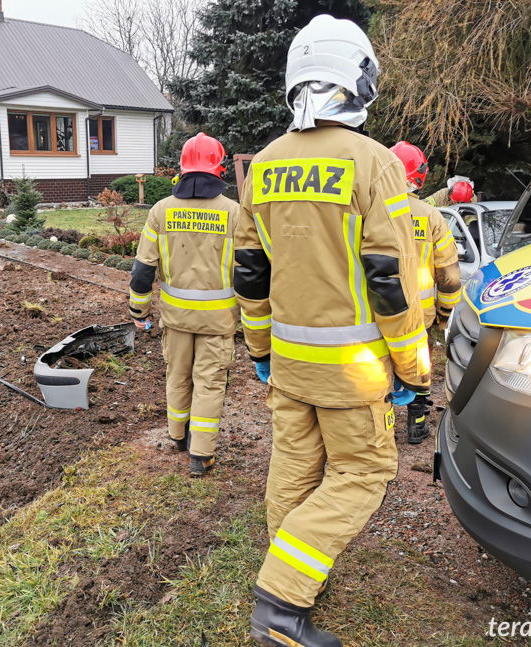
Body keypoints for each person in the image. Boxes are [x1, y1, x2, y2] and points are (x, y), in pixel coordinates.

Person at [234, 15, 430, 647]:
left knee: (293, 466)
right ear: (359, 79)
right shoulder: (375, 163)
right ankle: (281, 606)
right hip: (355, 369)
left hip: (288, 366)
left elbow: (249, 275)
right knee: (363, 472)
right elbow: (390, 281)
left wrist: (260, 351)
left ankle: (290, 572)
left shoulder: (262, 166)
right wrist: (413, 371)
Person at [128, 133, 240, 477]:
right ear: (219, 168)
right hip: (219, 321)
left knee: (177, 376)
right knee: (208, 383)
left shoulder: (161, 211)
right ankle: (201, 455)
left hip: (175, 317)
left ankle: (178, 437)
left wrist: (139, 313)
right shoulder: (234, 213)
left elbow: (142, 270)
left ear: (182, 168)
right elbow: (250, 273)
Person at [390, 141, 461, 444]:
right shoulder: (432, 217)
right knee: (419, 365)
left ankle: (378, 423)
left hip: (378, 311)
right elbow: (448, 276)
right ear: (418, 176)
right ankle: (417, 422)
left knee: (379, 366)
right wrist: (445, 316)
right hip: (420, 316)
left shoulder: (370, 210)